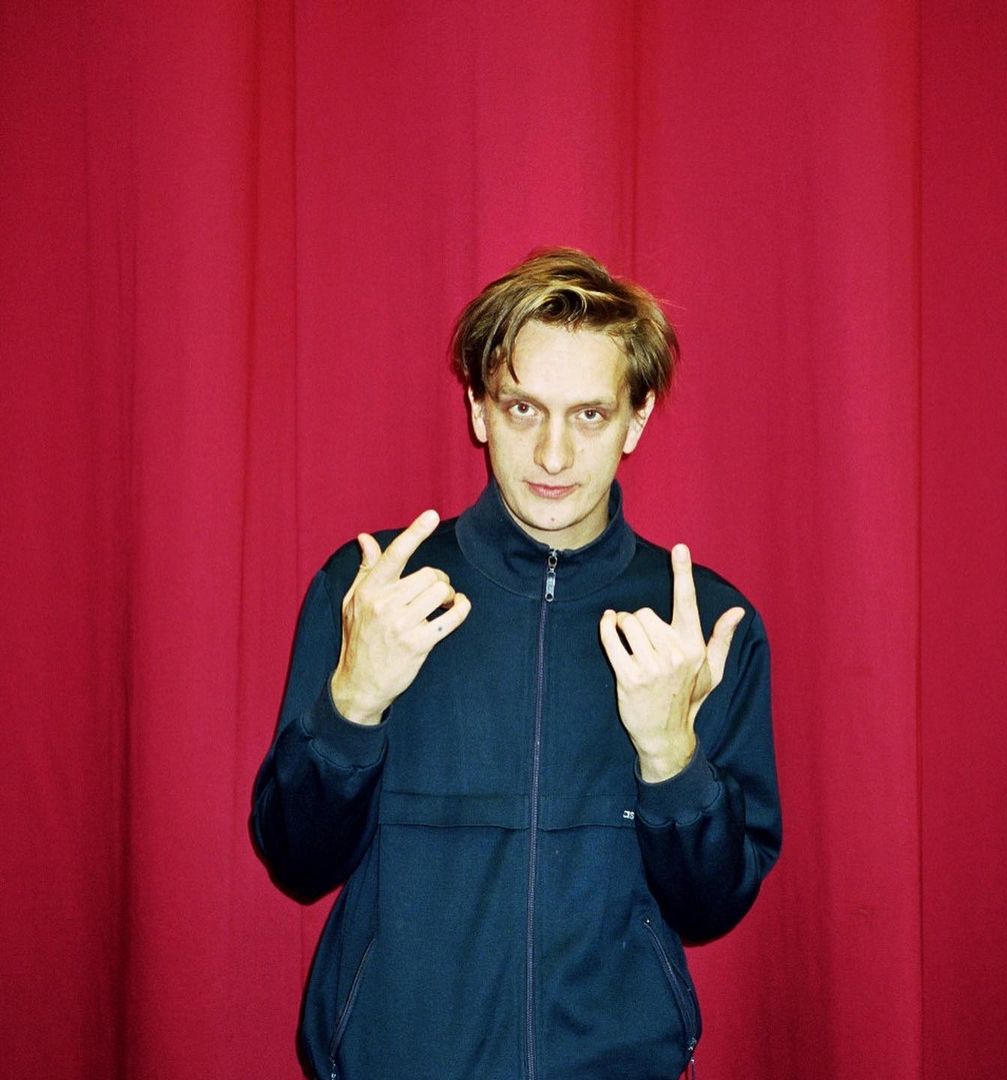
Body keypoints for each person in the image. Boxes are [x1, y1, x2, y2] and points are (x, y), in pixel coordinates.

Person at [251, 248, 781, 1080]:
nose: (554, 455)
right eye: (523, 408)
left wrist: (670, 755)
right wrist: (353, 702)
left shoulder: (702, 626)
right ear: (478, 408)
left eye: (590, 415)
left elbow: (711, 908)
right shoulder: (373, 593)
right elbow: (296, 862)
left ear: (637, 420)